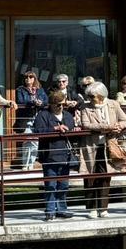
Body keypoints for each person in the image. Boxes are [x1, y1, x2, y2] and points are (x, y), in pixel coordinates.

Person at [77, 82, 126, 219]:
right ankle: (92, 208)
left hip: (108, 146)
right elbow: (86, 124)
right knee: (90, 177)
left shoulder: (113, 104)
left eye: (92, 96)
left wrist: (119, 126)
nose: (90, 98)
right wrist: (106, 127)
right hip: (91, 146)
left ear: (101, 95)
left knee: (106, 177)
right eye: (88, 96)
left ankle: (103, 208)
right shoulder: (85, 107)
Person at [32, 93, 79, 221]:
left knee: (63, 184)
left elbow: (72, 129)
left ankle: (62, 209)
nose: (61, 107)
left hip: (65, 154)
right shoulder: (43, 115)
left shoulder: (68, 115)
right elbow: (37, 131)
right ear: (52, 104)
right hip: (49, 154)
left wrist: (72, 130)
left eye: (63, 104)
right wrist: (55, 128)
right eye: (58, 104)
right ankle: (50, 210)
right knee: (50, 184)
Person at [15, 71, 48, 171]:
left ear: (34, 78)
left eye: (30, 77)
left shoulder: (40, 90)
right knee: (26, 141)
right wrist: (32, 101)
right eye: (26, 77)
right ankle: (25, 163)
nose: (28, 79)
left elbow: (46, 100)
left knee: (35, 142)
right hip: (26, 118)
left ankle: (31, 163)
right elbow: (20, 101)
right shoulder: (20, 89)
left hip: (37, 118)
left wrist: (40, 102)